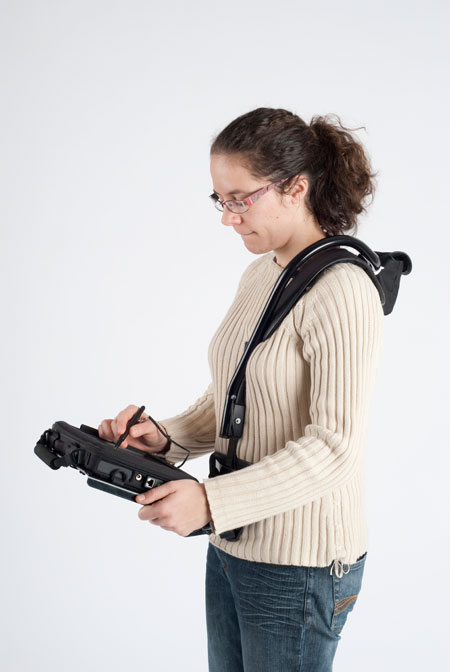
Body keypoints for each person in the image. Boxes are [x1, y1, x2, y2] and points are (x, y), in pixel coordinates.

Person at [98, 107, 384, 671]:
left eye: (240, 199)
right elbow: (235, 394)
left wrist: (211, 501)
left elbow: (335, 448)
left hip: (301, 567)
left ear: (296, 188)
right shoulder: (263, 272)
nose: (228, 218)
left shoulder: (344, 290)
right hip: (234, 544)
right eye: (220, 200)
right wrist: (166, 437)